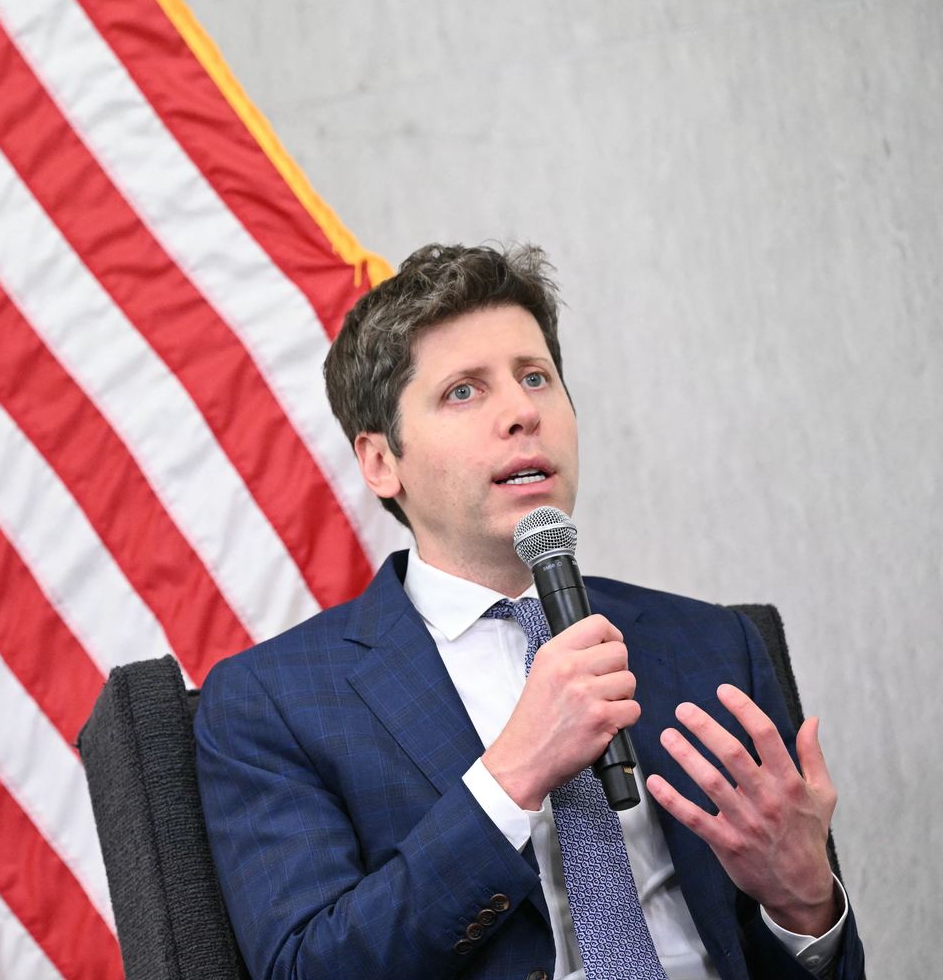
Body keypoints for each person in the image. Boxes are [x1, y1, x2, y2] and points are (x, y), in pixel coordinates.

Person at [194, 243, 863, 980]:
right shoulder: (273, 700)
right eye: (463, 392)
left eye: (536, 378)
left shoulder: (711, 645)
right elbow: (306, 970)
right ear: (381, 461)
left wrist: (804, 906)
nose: (522, 412)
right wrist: (511, 775)